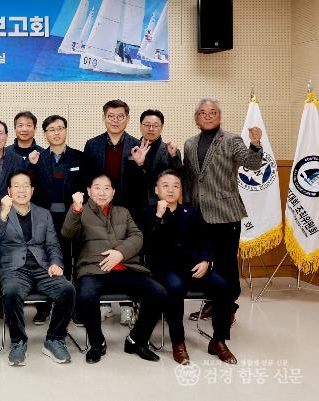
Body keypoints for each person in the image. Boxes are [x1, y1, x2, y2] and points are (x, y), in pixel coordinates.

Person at [61, 174, 167, 364]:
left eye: (106, 188)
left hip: (126, 268)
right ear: (88, 191)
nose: (102, 192)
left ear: (113, 192)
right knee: (86, 295)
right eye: (97, 187)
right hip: (93, 270)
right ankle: (97, 343)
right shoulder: (80, 211)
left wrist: (120, 253)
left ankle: (137, 340)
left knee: (158, 293)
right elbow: (67, 233)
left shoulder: (123, 212)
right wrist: (75, 209)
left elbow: (138, 237)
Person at [141, 170, 238, 365]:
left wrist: (205, 261)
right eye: (165, 186)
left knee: (223, 287)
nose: (171, 190)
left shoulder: (191, 212)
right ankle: (178, 342)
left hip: (193, 267)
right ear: (156, 190)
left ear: (180, 190)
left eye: (175, 186)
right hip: (165, 268)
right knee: (175, 288)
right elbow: (147, 245)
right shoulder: (147, 213)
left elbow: (206, 241)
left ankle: (218, 341)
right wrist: (158, 217)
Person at [182, 98, 263, 326]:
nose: (208, 116)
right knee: (202, 263)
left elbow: (252, 164)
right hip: (199, 215)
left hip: (226, 215)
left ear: (219, 116)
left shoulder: (231, 140)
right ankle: (212, 302)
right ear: (196, 119)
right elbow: (189, 179)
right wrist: (187, 209)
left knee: (226, 264)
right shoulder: (189, 144)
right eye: (203, 113)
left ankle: (228, 308)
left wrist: (255, 144)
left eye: (213, 112)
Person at [0, 170, 75, 366]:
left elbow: (53, 244)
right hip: (14, 270)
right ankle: (18, 342)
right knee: (11, 292)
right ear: (9, 191)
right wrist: (3, 213)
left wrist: (55, 263)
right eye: (16, 186)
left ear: (32, 190)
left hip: (42, 268)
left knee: (67, 289)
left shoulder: (44, 214)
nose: (21, 190)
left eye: (25, 186)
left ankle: (54, 339)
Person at [82, 99, 145, 326]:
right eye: (111, 116)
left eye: (120, 116)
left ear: (128, 119)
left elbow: (144, 184)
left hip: (127, 210)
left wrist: (140, 165)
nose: (115, 120)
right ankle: (104, 304)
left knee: (125, 253)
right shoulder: (92, 145)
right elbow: (87, 180)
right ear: (104, 118)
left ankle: (128, 306)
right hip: (98, 209)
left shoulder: (137, 145)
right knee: (100, 249)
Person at [27, 114, 86, 323]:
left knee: (73, 261)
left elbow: (87, 188)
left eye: (60, 128)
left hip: (73, 217)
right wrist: (31, 166)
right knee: (47, 260)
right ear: (45, 134)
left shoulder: (79, 157)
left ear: (66, 130)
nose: (56, 133)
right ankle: (45, 306)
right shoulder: (38, 158)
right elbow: (28, 188)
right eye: (51, 129)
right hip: (46, 219)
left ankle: (74, 307)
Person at [131, 109, 183, 207]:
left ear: (161, 127)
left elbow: (179, 178)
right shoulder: (132, 149)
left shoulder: (171, 150)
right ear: (140, 126)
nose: (151, 129)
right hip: (135, 205)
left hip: (164, 205)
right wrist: (139, 164)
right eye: (147, 125)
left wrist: (173, 156)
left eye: (155, 125)